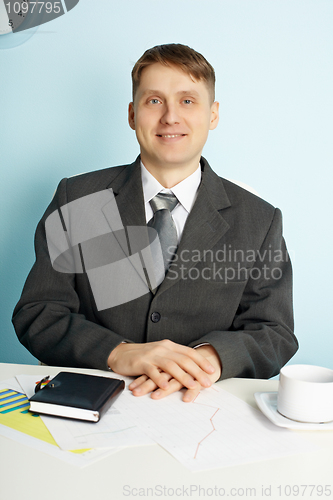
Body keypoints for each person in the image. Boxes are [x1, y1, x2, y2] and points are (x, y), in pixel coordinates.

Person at [12, 44, 298, 402]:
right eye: (154, 101)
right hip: (95, 399)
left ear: (213, 115)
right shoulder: (77, 197)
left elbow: (274, 331)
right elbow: (38, 312)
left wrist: (205, 362)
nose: (171, 117)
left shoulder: (259, 219)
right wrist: (117, 351)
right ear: (132, 114)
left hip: (201, 404)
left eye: (188, 101)